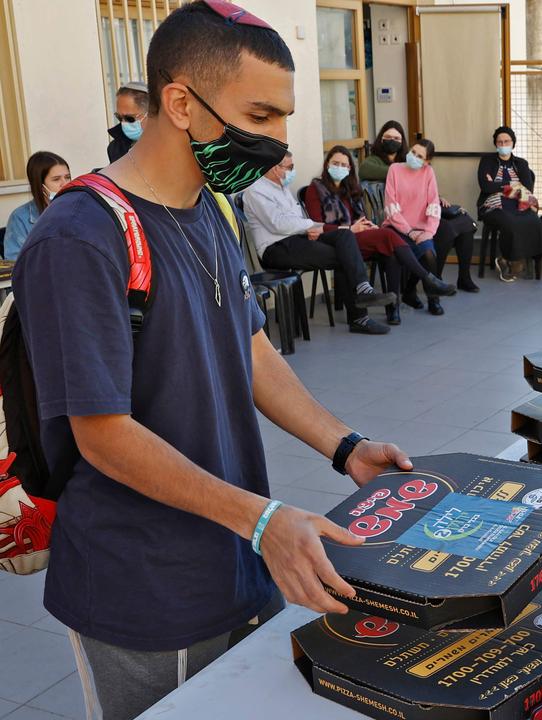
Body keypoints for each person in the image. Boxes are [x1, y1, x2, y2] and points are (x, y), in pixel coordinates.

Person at [12, 4, 417, 718]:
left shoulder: (213, 208)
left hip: (238, 557)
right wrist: (263, 521)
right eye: (259, 116)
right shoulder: (79, 237)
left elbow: (250, 347)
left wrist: (345, 448)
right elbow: (100, 432)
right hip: (145, 587)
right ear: (179, 103)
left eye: (283, 119)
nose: (277, 141)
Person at [242, 151, 398, 334]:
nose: (293, 171)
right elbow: (280, 224)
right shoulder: (256, 191)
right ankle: (359, 317)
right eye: (290, 167)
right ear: (275, 168)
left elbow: (296, 219)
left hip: (297, 239)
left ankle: (363, 289)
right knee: (344, 255)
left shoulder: (281, 188)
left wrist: (314, 228)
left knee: (344, 238)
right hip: (275, 248)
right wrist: (313, 226)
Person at [304, 145, 456, 323]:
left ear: (349, 168)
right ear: (327, 164)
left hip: (356, 236)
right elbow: (317, 226)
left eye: (344, 165)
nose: (339, 167)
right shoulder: (315, 188)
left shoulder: (350, 187)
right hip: (336, 238)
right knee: (389, 235)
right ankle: (428, 280)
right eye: (335, 163)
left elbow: (359, 217)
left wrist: (366, 225)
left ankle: (393, 308)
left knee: (390, 251)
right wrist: (350, 229)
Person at [385, 138, 480, 314]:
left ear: (427, 161)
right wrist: (409, 231)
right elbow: (391, 209)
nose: (414, 157)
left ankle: (432, 299)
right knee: (402, 255)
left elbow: (434, 206)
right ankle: (405, 300)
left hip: (421, 228)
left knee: (429, 254)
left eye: (419, 156)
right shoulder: (394, 170)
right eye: (413, 152)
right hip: (396, 227)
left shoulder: (428, 173)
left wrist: (428, 232)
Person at [476, 125, 542, 282]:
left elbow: (527, 188)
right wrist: (514, 185)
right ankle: (510, 260)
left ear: (513, 143)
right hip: (492, 205)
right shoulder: (487, 161)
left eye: (506, 141)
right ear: (495, 144)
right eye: (499, 142)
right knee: (510, 222)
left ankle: (513, 260)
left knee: (534, 221)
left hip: (517, 204)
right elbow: (485, 187)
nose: (503, 145)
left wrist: (499, 184)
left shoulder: (521, 163)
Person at [4, 151, 71, 260]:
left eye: (67, 177)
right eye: (56, 179)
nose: (65, 184)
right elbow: (14, 264)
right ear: (40, 185)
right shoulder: (20, 218)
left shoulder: (78, 209)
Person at [107, 81, 150, 163]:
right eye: (119, 117)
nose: (123, 123)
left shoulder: (172, 144)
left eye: (129, 118)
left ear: (150, 114)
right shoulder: (115, 148)